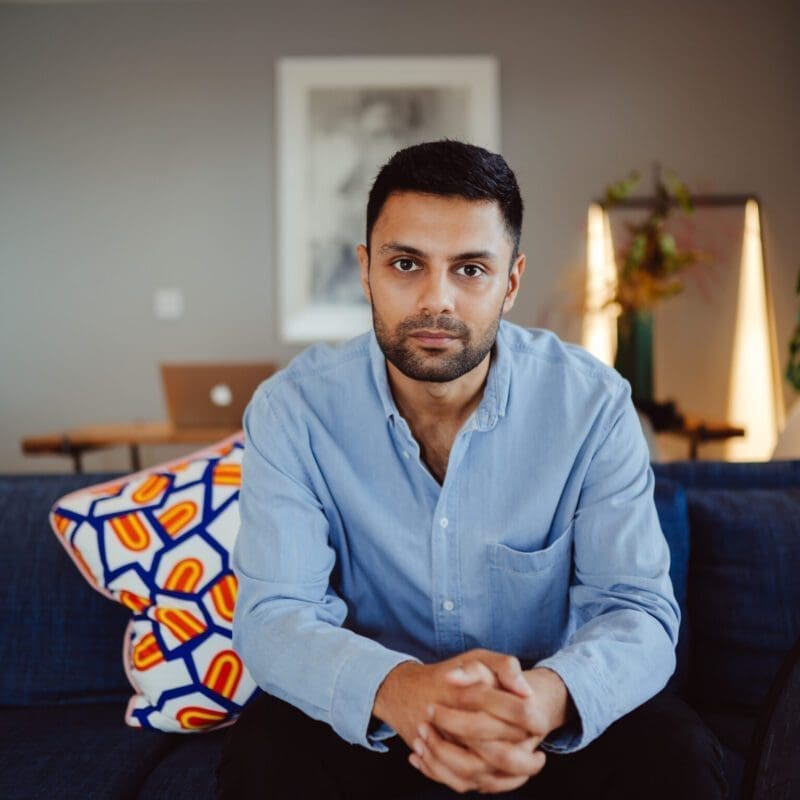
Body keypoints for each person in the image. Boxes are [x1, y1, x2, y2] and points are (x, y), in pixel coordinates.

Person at [216, 140, 726, 799]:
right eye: (406, 264)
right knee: (264, 751)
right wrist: (403, 691)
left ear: (510, 282)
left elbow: (637, 612)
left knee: (675, 753)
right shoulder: (292, 411)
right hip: (375, 718)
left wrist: (538, 703)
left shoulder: (593, 406)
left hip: (537, 721)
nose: (437, 300)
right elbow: (274, 616)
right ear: (366, 271)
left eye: (470, 270)